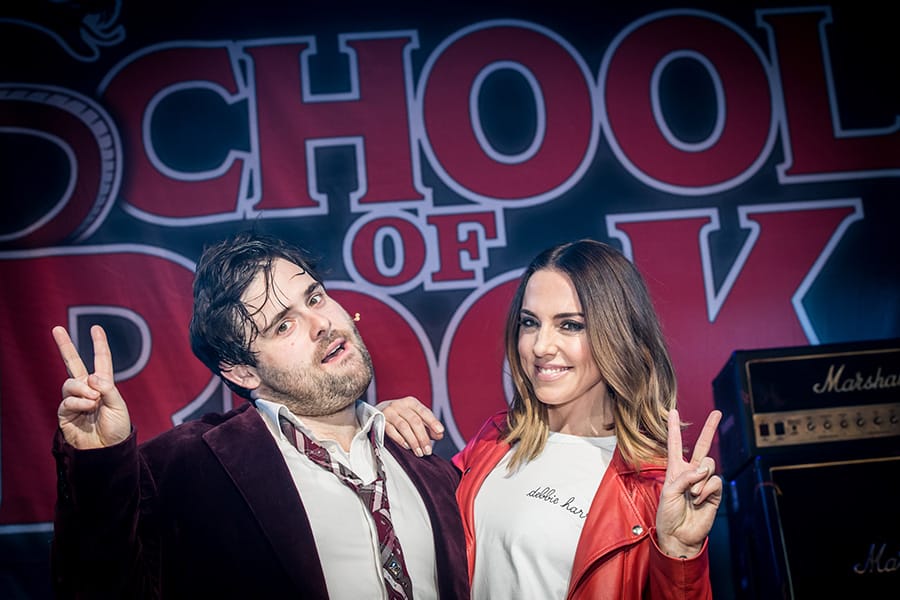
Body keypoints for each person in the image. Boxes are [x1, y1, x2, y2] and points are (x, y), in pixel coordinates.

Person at [50, 231, 469, 599]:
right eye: (282, 326)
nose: (320, 323)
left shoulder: (420, 455)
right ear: (243, 370)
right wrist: (99, 463)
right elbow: (101, 584)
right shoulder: (186, 467)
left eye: (315, 297)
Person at [381, 239, 722, 599]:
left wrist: (680, 555)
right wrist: (379, 433)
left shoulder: (654, 486)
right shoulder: (494, 442)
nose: (541, 346)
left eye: (570, 325)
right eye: (530, 323)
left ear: (619, 333)